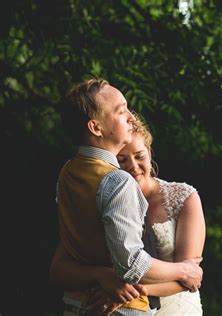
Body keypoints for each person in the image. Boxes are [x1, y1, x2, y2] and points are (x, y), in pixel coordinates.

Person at [50, 78, 203, 315]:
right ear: (96, 127)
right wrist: (185, 270)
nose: (131, 117)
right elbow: (131, 265)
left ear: (150, 152)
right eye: (121, 111)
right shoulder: (118, 182)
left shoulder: (67, 172)